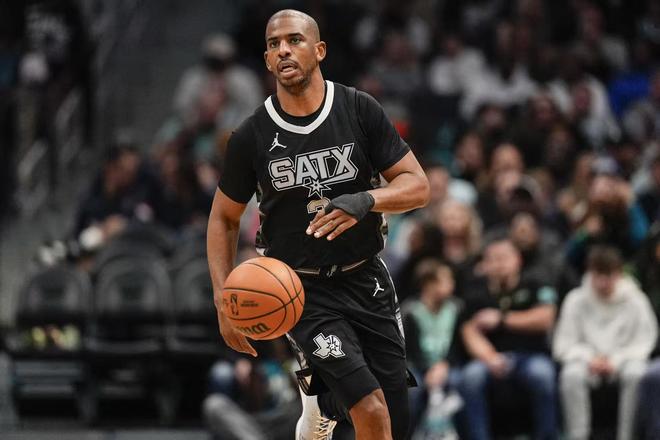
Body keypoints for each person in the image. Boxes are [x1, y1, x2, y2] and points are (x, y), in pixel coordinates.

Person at [207, 9, 430, 440]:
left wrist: (367, 200)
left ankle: (321, 401)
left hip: (366, 278)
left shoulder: (359, 109)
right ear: (267, 60)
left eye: (294, 40)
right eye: (274, 44)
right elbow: (223, 218)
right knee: (370, 409)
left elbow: (418, 186)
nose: (283, 50)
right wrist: (221, 298)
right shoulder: (251, 135)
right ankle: (327, 396)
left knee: (395, 422)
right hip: (301, 290)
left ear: (320, 50)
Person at [553, 245, 658, 440]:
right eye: (597, 276)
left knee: (636, 373)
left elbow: (645, 341)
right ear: (589, 273)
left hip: (624, 360)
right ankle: (578, 436)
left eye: (608, 276)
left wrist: (616, 360)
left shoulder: (636, 299)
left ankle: (627, 436)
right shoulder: (575, 300)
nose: (602, 283)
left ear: (618, 274)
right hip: (587, 362)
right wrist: (589, 359)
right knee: (571, 375)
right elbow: (563, 344)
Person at [458, 238, 558, 440]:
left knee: (542, 374)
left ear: (517, 260)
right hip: (491, 358)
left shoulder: (535, 282)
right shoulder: (475, 291)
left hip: (530, 356)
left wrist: (502, 319)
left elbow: (545, 318)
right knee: (470, 377)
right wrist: (490, 357)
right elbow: (468, 331)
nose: (499, 264)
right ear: (485, 265)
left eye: (504, 258)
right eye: (493, 259)